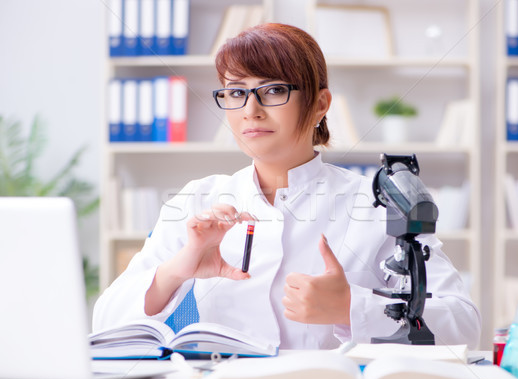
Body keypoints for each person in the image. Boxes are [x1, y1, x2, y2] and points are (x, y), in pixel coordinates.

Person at [93, 23, 481, 349]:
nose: (250, 109)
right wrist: (176, 270)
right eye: (235, 91)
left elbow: (463, 322)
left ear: (319, 104)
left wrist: (351, 307)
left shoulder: (377, 203)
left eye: (274, 89)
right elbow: (105, 324)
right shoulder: (199, 199)